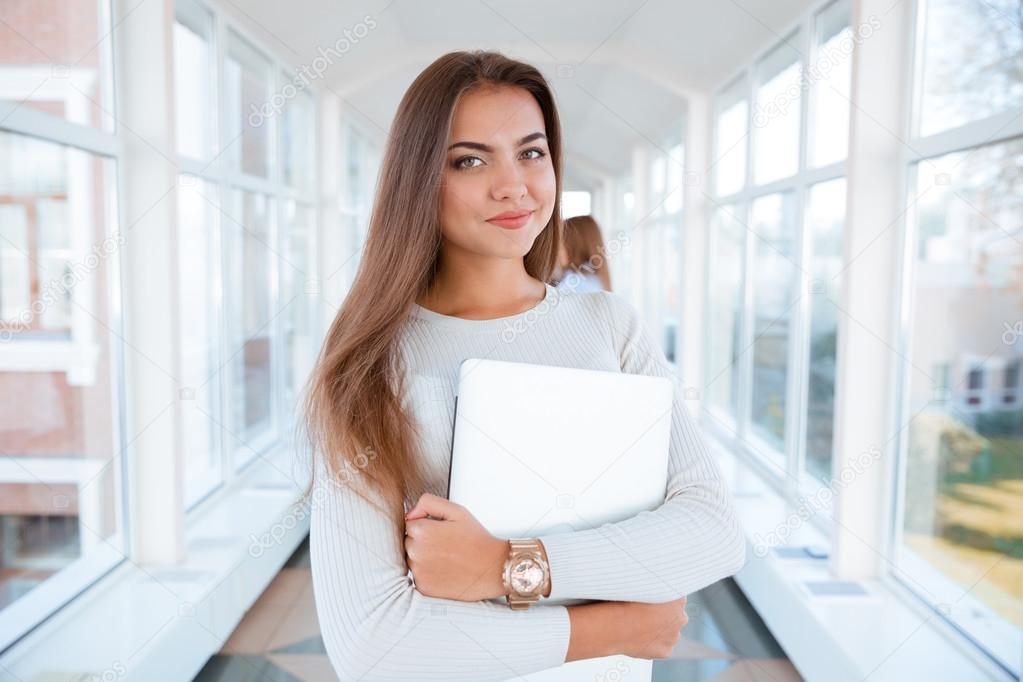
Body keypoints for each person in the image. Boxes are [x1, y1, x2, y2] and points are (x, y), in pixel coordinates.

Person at [298, 50, 746, 681]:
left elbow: (712, 531)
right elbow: (374, 646)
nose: (514, 185)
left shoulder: (609, 327)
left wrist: (503, 566)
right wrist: (609, 626)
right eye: (470, 160)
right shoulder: (370, 364)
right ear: (418, 179)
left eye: (532, 153)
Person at [555, 214, 612, 293]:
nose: (557, 250)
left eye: (561, 243)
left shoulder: (574, 284)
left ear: (574, 246)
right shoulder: (597, 281)